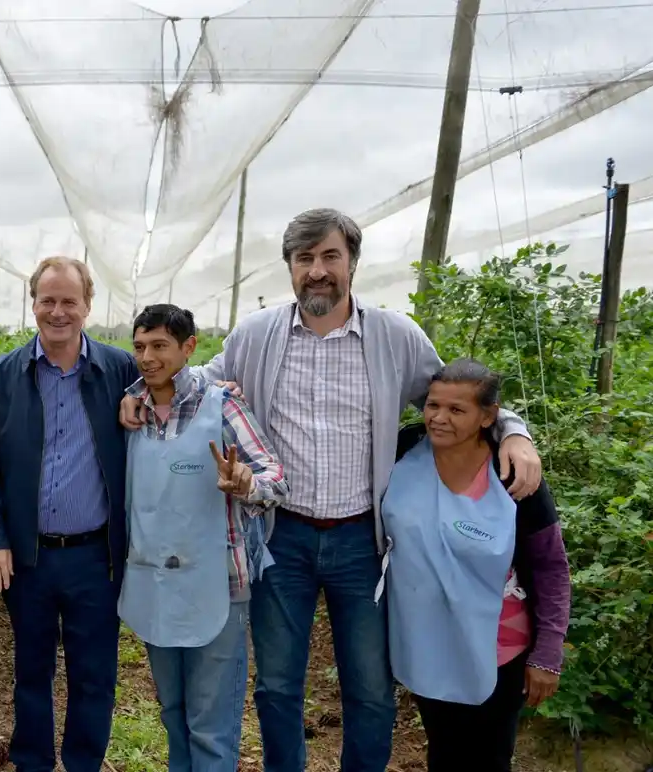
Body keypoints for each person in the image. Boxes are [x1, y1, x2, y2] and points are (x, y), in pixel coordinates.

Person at [120, 208, 544, 772]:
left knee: (369, 688)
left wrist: (514, 432)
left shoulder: (395, 337)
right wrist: (135, 391)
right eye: (304, 259)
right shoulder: (256, 336)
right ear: (290, 269)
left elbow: (459, 397)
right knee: (276, 686)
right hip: (282, 536)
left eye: (329, 257)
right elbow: (190, 382)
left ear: (352, 263)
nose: (317, 271)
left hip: (360, 541)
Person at [0, 256, 140, 772]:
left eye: (70, 301)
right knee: (31, 670)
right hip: (30, 556)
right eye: (48, 300)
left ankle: (84, 762)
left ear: (88, 306)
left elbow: (174, 391)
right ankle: (33, 762)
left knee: (94, 674)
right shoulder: (5, 374)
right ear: (34, 304)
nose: (58, 312)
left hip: (95, 556)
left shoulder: (119, 370)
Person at [120, 304, 288, 772]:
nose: (147, 357)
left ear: (189, 347)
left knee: (211, 727)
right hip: (154, 584)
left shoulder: (223, 406)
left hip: (218, 585)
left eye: (160, 346)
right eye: (139, 346)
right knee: (174, 717)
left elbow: (275, 476)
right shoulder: (134, 409)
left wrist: (245, 483)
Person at [383, 359, 570, 771]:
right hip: (426, 638)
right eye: (432, 406)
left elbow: (550, 566)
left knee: (489, 755)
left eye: (456, 410)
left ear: (489, 416)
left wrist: (547, 654)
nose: (438, 418)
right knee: (445, 749)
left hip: (498, 646)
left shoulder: (513, 475)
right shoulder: (403, 451)